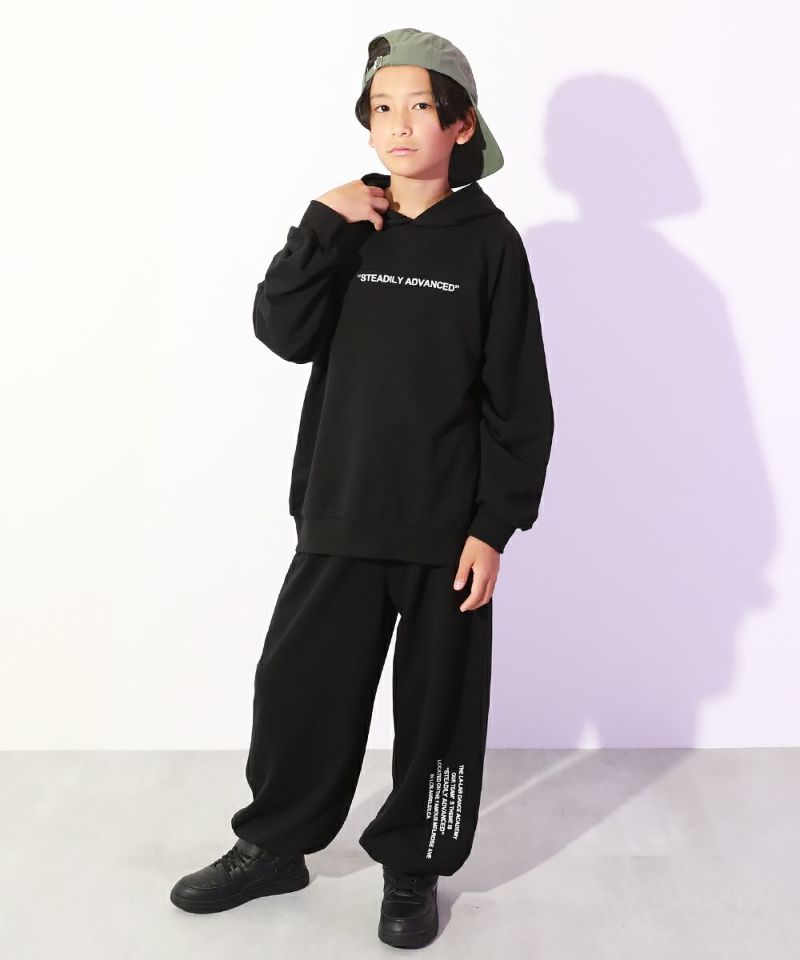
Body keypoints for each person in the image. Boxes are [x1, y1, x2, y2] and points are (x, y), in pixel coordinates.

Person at [169, 26, 554, 949]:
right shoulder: (346, 228)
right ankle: (275, 846)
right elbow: (282, 331)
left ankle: (414, 867)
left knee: (437, 710)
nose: (399, 125)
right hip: (339, 510)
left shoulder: (491, 246)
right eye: (382, 108)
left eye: (420, 106)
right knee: (299, 685)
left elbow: (519, 400)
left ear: (462, 124)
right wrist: (318, 221)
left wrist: (494, 526)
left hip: (444, 530)